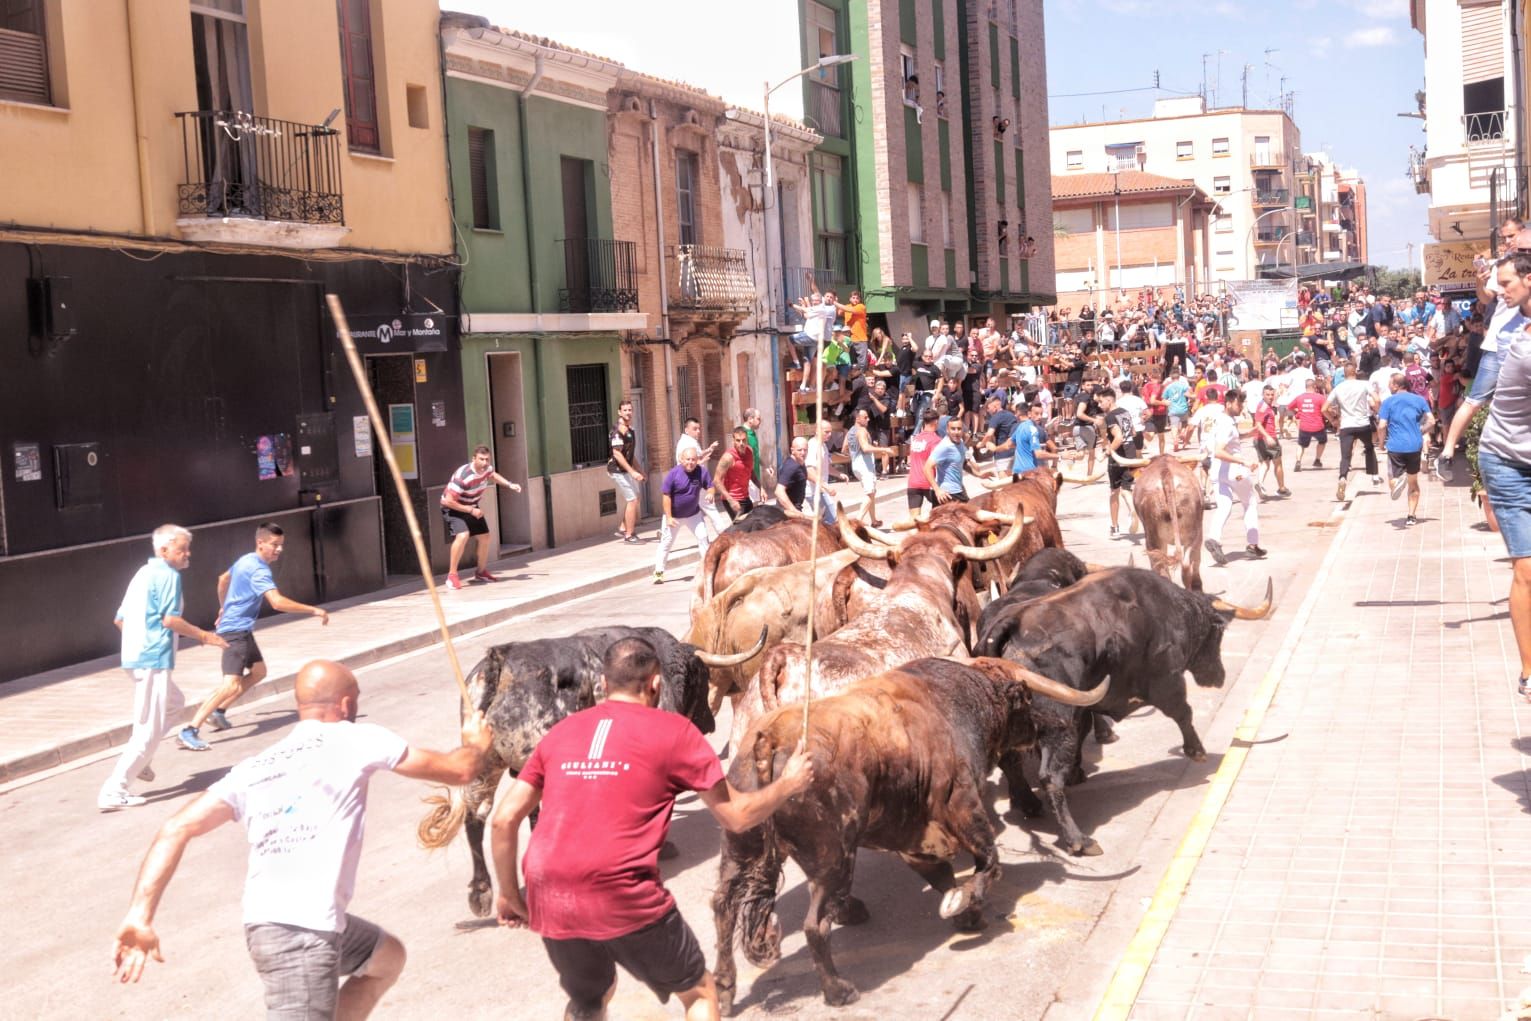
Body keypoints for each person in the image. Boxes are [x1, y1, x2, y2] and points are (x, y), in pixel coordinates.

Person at [111, 660, 492, 1017]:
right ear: (345, 704)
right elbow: (458, 771)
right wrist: (474, 743)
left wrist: (139, 916)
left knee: (387, 957)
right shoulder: (359, 738)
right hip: (302, 936)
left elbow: (175, 828)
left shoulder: (255, 766)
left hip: (273, 925)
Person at [490, 638, 813, 1021]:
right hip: (622, 891)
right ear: (656, 684)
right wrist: (789, 784)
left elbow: (503, 818)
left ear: (603, 685)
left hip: (550, 891)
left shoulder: (561, 732)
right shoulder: (675, 732)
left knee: (589, 1000)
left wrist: (510, 894)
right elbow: (737, 816)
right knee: (699, 992)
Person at [99, 525, 229, 811]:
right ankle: (115, 789)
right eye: (182, 549)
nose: (187, 554)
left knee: (174, 704)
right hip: (152, 659)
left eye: (187, 548)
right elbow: (171, 620)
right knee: (147, 728)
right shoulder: (168, 576)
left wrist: (138, 642)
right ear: (164, 550)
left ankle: (141, 761)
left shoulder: (142, 574)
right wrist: (205, 636)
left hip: (136, 657)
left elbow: (119, 620)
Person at [177, 523, 330, 753]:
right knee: (230, 684)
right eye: (274, 545)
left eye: (281, 546)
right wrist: (313, 610)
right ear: (261, 543)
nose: (279, 550)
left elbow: (222, 579)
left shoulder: (246, 559)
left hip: (241, 628)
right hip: (235, 632)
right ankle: (189, 729)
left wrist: (223, 608)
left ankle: (218, 713)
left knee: (259, 672)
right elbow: (277, 602)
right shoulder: (259, 570)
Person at [1471, 251, 1531, 700]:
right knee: (1528, 569)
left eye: (1507, 281)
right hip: (1507, 460)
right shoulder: (1521, 342)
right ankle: (1530, 672)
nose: (1500, 290)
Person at [440, 445, 524, 590]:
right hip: (453, 507)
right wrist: (470, 510)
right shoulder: (463, 476)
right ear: (474, 459)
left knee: (484, 537)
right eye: (481, 459)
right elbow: (448, 501)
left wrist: (509, 484)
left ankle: (481, 572)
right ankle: (452, 576)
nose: (485, 463)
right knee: (463, 535)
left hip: (471, 505)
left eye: (487, 459)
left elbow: (492, 475)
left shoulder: (487, 469)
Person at [1204, 390, 1267, 565]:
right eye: (1239, 404)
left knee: (1224, 506)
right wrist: (1243, 461)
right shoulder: (1227, 424)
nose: (1241, 408)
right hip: (1234, 471)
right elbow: (1219, 451)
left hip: (1217, 472)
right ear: (1229, 403)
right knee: (1250, 503)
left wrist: (1249, 433)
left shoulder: (1222, 420)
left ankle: (1214, 538)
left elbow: (1231, 439)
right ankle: (1252, 544)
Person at [1376, 371, 1434, 526]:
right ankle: (1411, 515)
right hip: (1414, 445)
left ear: (1396, 385)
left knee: (1392, 479)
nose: (1388, 386)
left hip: (1396, 446)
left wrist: (1381, 443)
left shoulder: (1388, 402)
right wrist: (1420, 431)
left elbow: (1382, 425)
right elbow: (1432, 421)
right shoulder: (1420, 400)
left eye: (1390, 383)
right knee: (1413, 482)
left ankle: (1398, 481)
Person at [653, 446, 713, 585]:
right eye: (687, 459)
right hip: (674, 517)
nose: (690, 462)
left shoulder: (701, 472)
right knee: (666, 543)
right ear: (681, 459)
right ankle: (659, 572)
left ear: (697, 460)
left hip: (693, 514)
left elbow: (710, 485)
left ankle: (707, 570)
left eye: (693, 459)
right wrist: (668, 517)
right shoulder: (674, 474)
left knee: (703, 537)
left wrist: (710, 493)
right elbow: (666, 496)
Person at [1325, 362, 1381, 502]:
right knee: (1369, 448)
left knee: (1345, 456)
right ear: (1355, 372)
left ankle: (1343, 477)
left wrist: (1333, 421)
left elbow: (1324, 408)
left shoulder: (1338, 388)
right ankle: (1374, 475)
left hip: (1346, 425)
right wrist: (1378, 412)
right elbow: (1377, 399)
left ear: (1344, 374)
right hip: (1363, 423)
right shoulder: (1364, 384)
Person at [1099, 389, 1140, 538]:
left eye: (1101, 401)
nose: (1099, 404)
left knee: (1114, 491)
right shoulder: (1125, 412)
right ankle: (1132, 509)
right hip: (1131, 453)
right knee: (1126, 488)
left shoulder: (1110, 417)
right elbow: (1133, 432)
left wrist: (1107, 451)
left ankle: (1115, 527)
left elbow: (1119, 437)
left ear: (1109, 401)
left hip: (1118, 456)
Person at [846, 407, 895, 526]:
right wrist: (884, 449)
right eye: (865, 417)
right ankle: (857, 522)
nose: (868, 420)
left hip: (856, 464)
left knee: (871, 492)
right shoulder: (862, 431)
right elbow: (865, 448)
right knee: (870, 493)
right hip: (864, 465)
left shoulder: (850, 431)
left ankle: (873, 520)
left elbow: (844, 448)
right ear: (857, 419)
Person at [608, 400, 645, 544]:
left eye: (630, 410)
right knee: (632, 500)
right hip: (617, 470)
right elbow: (617, 454)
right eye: (625, 410)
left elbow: (630, 454)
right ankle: (629, 535)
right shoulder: (617, 431)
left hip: (626, 470)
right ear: (619, 412)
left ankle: (624, 527)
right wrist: (632, 472)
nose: (628, 413)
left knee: (637, 497)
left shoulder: (631, 430)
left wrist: (640, 470)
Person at [925, 417, 979, 504]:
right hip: (947, 494)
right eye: (953, 429)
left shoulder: (960, 442)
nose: (956, 432)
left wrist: (979, 475)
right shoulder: (945, 447)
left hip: (958, 491)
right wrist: (937, 490)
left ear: (962, 430)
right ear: (947, 430)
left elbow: (963, 464)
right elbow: (927, 467)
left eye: (959, 429)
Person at [1250, 384, 1291, 498]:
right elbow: (1258, 424)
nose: (1270, 397)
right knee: (1277, 463)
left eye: (1272, 394)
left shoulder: (1265, 405)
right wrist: (1267, 436)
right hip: (1268, 438)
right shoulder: (1263, 407)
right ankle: (1282, 488)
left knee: (1265, 463)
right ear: (1263, 395)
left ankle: (1260, 483)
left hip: (1259, 439)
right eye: (1267, 395)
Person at [712, 427, 756, 520]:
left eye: (744, 440)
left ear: (747, 440)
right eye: (738, 440)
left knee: (752, 526)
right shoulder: (728, 457)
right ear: (733, 441)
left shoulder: (750, 452)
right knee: (740, 530)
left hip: (745, 497)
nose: (741, 444)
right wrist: (730, 500)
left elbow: (750, 471)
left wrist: (761, 487)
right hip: (733, 499)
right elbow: (716, 480)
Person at [904, 409, 941, 517]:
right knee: (939, 516)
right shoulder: (936, 440)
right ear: (936, 422)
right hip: (929, 483)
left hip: (913, 482)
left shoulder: (915, 439)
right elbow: (937, 462)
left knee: (914, 520)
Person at [1288, 377, 1329, 471]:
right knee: (1322, 441)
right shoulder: (1320, 397)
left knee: (1301, 445)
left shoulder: (1299, 397)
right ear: (1314, 386)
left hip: (1304, 426)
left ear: (1305, 387)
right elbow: (1326, 409)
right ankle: (1317, 460)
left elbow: (1289, 407)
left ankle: (1298, 461)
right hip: (1318, 426)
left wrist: (1297, 411)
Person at [803, 418, 838, 524]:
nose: (830, 434)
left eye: (830, 431)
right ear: (817, 431)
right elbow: (809, 471)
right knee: (830, 517)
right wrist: (825, 486)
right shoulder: (813, 445)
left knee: (826, 519)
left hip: (820, 489)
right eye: (826, 432)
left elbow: (826, 467)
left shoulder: (823, 445)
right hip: (813, 491)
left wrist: (839, 474)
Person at [773, 437, 811, 517]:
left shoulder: (799, 462)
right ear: (792, 450)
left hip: (796, 510)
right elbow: (779, 491)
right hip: (787, 514)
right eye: (799, 450)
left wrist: (822, 485)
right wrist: (795, 512)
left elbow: (803, 475)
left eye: (805, 450)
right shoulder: (791, 467)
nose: (803, 453)